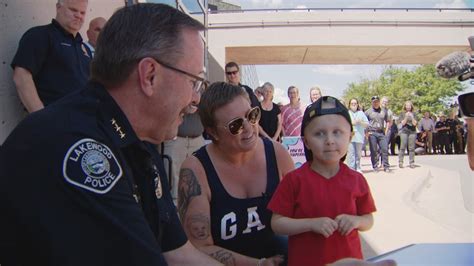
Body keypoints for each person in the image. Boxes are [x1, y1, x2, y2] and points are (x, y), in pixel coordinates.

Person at [0, 4, 221, 265]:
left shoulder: (141, 143)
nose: (196, 98)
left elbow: (176, 253)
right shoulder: (78, 151)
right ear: (150, 75)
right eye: (193, 81)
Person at [178, 82, 295, 265]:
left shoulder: (277, 154)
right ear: (213, 133)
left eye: (252, 116)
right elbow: (198, 247)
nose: (249, 127)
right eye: (236, 125)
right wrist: (258, 264)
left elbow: (303, 212)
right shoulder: (196, 169)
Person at [268, 96, 376, 266]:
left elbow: (368, 219)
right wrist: (311, 224)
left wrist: (356, 221)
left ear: (350, 137)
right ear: (306, 142)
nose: (330, 140)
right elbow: (277, 223)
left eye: (337, 132)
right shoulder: (294, 180)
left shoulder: (357, 180)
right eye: (319, 133)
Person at [11, 0, 92, 113]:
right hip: (54, 122)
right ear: (58, 7)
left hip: (83, 122)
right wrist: (42, 117)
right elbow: (21, 76)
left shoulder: (85, 48)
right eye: (73, 10)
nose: (78, 16)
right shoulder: (39, 35)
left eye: (82, 13)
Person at [163, 111, 205, 201]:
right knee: (173, 179)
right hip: (176, 139)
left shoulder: (204, 96)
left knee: (197, 178)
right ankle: (174, 210)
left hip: (197, 139)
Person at [365, 96, 391, 172]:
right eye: (374, 102)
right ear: (372, 102)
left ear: (379, 102)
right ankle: (375, 166)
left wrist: (386, 130)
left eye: (377, 101)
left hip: (381, 132)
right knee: (373, 150)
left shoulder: (384, 111)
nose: (375, 103)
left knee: (385, 149)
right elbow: (365, 123)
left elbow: (388, 121)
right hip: (372, 132)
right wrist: (366, 133)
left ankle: (386, 166)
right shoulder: (368, 112)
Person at [346, 98, 369, 172]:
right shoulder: (347, 113)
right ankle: (351, 169)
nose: (353, 105)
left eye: (355, 103)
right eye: (352, 104)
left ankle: (358, 167)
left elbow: (366, 124)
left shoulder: (361, 113)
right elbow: (343, 123)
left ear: (357, 104)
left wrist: (360, 122)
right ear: (349, 105)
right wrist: (352, 123)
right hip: (350, 136)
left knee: (358, 153)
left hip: (359, 136)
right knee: (351, 154)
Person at [398, 101, 418, 168]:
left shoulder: (414, 114)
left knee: (411, 148)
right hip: (404, 132)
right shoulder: (402, 114)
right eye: (407, 105)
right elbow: (403, 123)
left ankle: (411, 162)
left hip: (412, 132)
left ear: (411, 106)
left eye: (409, 106)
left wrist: (412, 117)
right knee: (402, 147)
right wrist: (406, 117)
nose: (408, 107)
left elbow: (415, 123)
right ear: (405, 106)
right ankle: (400, 162)